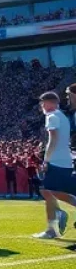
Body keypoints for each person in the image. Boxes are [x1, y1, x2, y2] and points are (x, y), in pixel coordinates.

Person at [33, 91, 76, 240]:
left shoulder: (51, 116)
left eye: (43, 102)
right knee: (49, 192)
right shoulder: (62, 116)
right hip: (65, 160)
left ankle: (53, 226)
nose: (41, 106)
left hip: (56, 160)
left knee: (47, 191)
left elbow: (53, 139)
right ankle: (55, 221)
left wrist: (46, 159)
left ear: (50, 103)